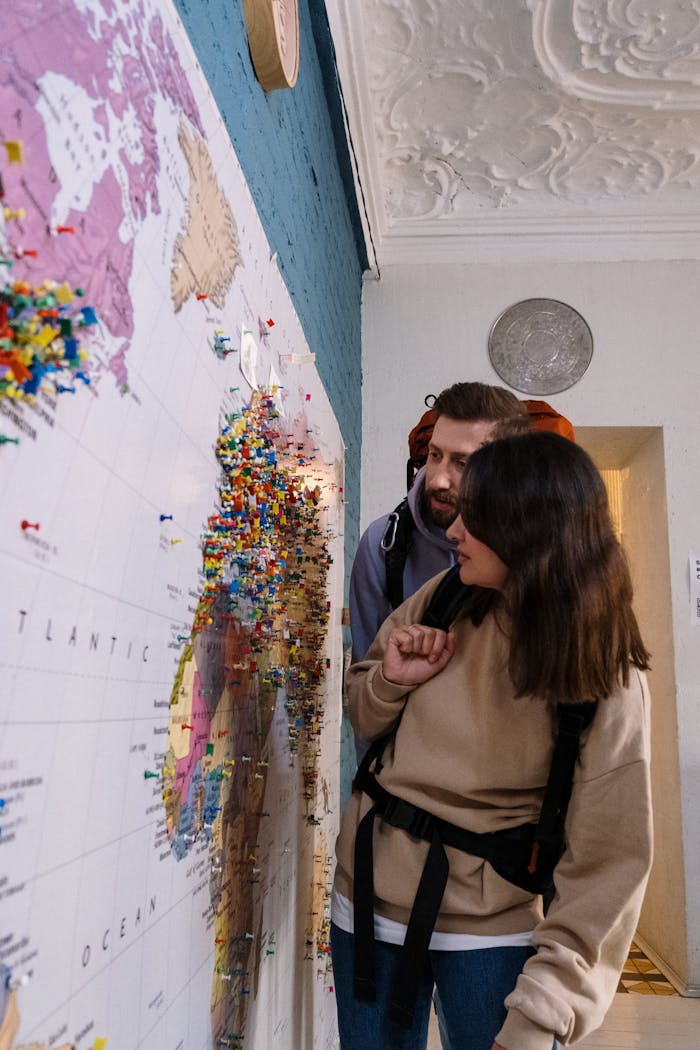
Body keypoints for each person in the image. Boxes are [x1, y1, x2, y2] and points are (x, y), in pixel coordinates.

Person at [331, 431, 653, 1050]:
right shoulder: (448, 595)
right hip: (365, 905)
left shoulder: (606, 671)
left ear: (528, 531)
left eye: (476, 520)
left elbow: (609, 865)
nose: (453, 533)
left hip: (494, 934)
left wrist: (542, 1014)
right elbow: (366, 721)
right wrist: (391, 681)